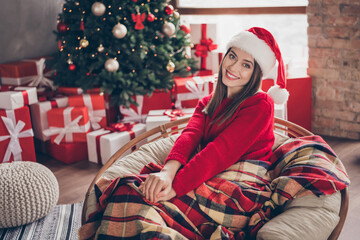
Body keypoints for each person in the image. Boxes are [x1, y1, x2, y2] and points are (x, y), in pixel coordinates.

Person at [139, 27, 289, 203]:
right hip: (211, 171)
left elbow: (220, 150)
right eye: (232, 56)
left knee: (154, 202)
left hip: (243, 181)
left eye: (246, 64)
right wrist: (167, 173)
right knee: (137, 188)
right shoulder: (208, 102)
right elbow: (190, 135)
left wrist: (176, 187)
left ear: (255, 74)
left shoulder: (261, 105)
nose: (233, 67)